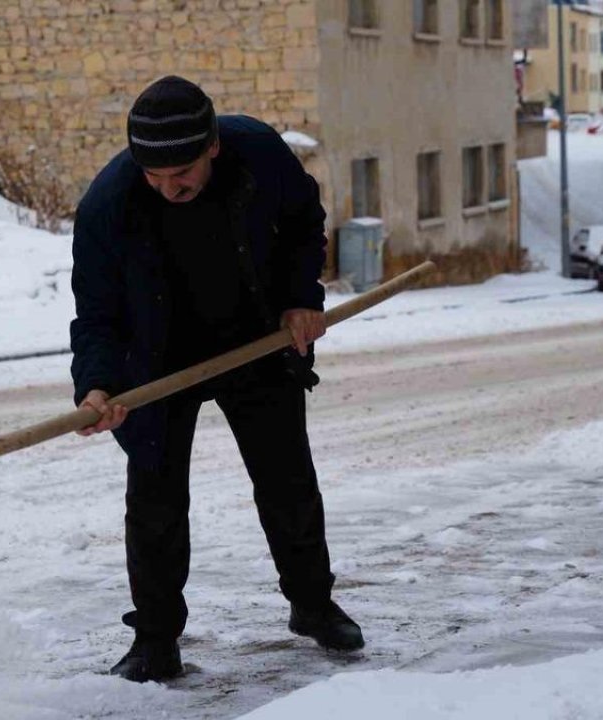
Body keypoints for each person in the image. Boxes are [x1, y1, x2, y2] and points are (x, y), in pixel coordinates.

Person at [70, 76, 364, 683]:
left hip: (254, 339)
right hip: (155, 360)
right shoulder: (109, 203)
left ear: (211, 149)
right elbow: (96, 312)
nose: (166, 188)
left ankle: (312, 605)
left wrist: (302, 299)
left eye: (179, 174)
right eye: (153, 176)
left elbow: (304, 223)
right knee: (153, 500)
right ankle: (155, 639)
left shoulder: (257, 152)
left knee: (286, 479)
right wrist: (97, 385)